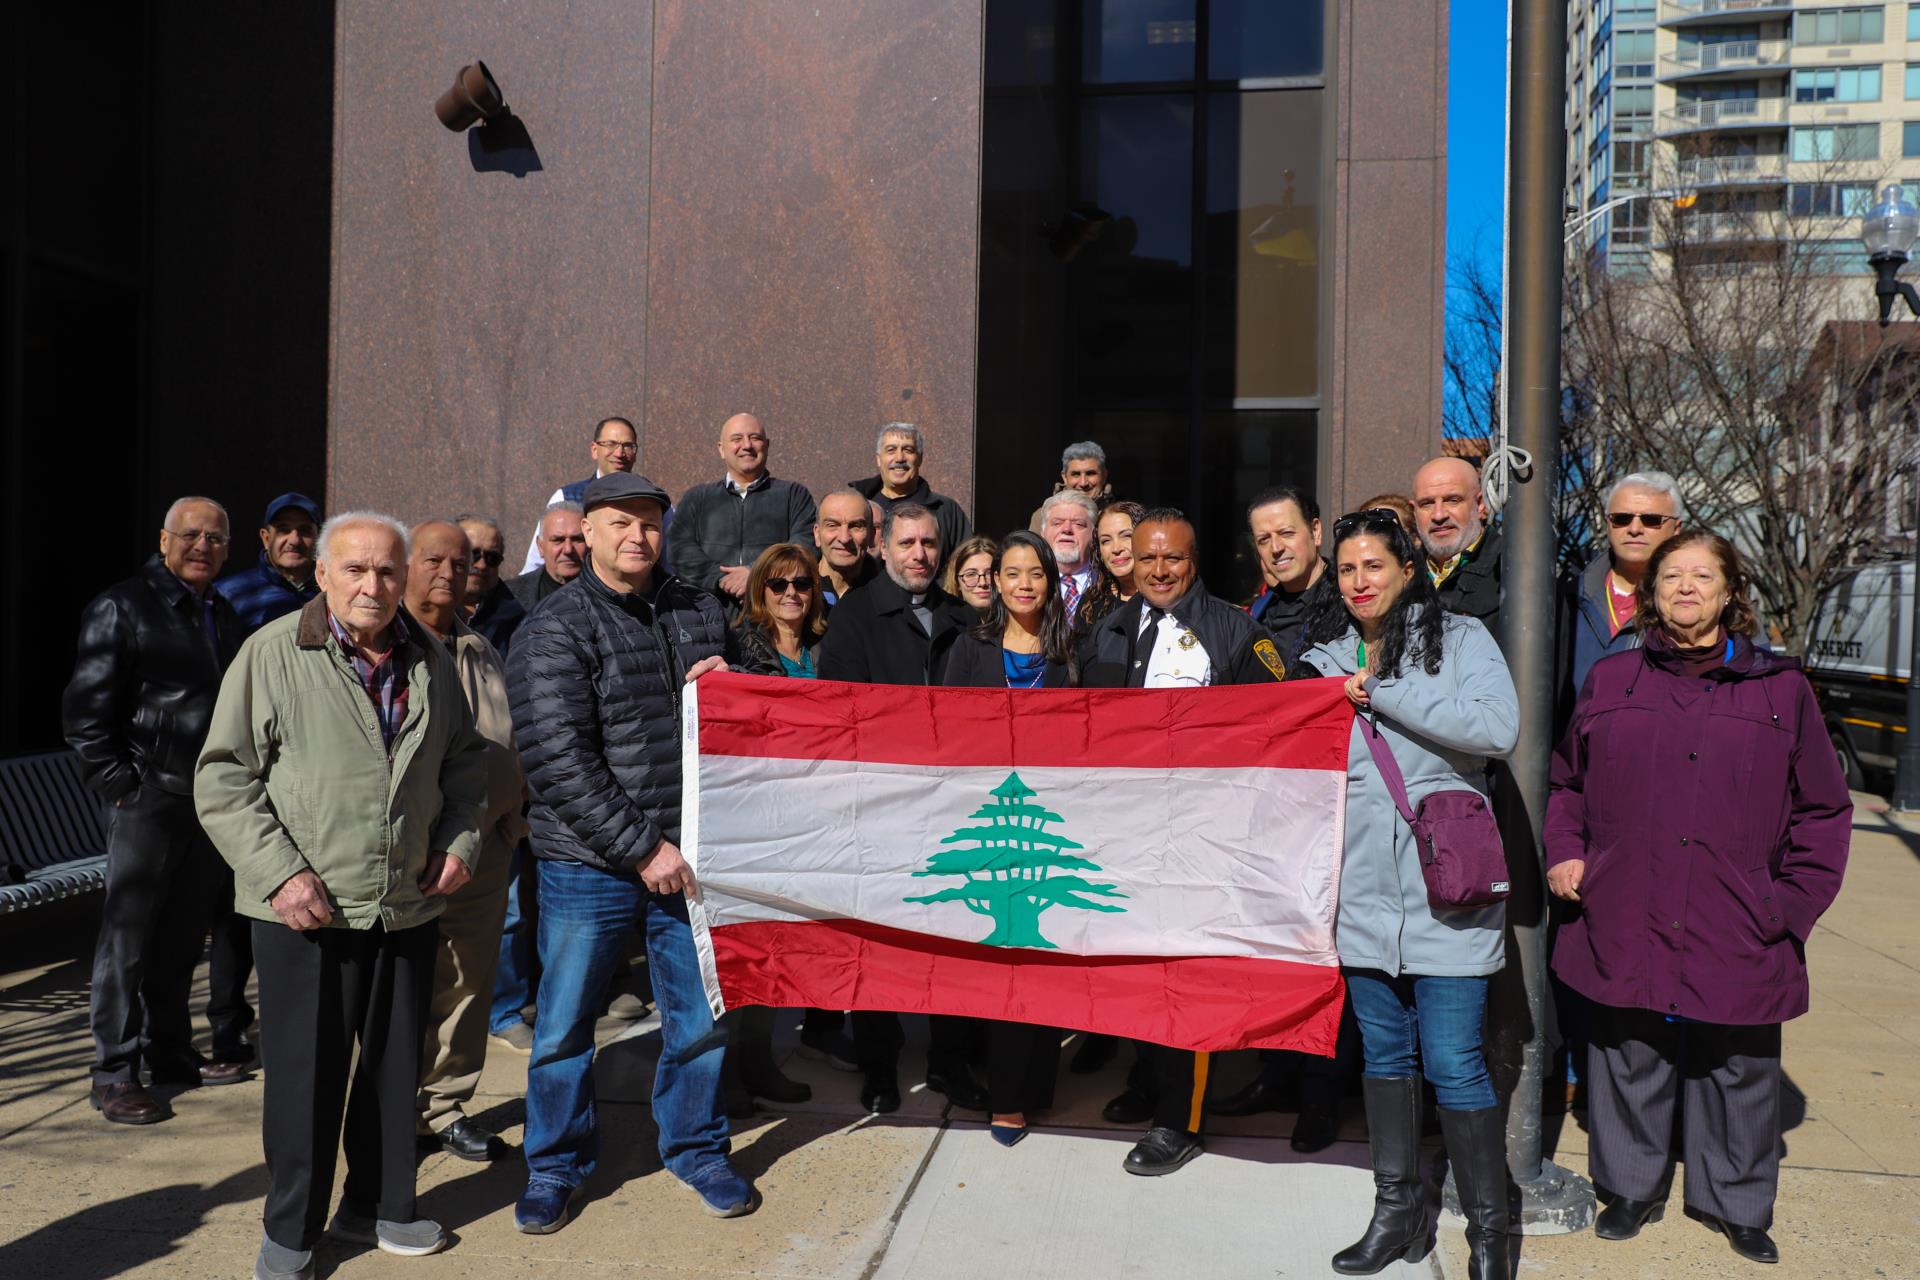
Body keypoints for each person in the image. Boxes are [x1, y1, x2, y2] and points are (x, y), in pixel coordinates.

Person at [1545, 530, 1850, 1267]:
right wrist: (1565, 851)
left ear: (1728, 591)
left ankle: (1735, 1202)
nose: (1685, 587)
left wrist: (1788, 906)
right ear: (1652, 594)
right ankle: (1629, 1188)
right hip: (1626, 904)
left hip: (1739, 914)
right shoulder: (1612, 683)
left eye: (1701, 575)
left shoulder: (1781, 689)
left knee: (1737, 1064)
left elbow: (1824, 812)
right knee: (1628, 1053)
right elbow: (1567, 782)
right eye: (1671, 576)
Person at [196, 512, 489, 1277]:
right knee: (306, 1078)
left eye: (387, 571)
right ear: (322, 575)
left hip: (406, 899)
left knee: (397, 1069)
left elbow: (465, 767)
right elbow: (223, 777)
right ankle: (291, 1229)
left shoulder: (429, 659)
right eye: (355, 570)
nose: (373, 584)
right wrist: (280, 875)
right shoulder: (273, 652)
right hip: (305, 908)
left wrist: (460, 843)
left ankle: (383, 1206)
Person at [506, 472, 757, 1231]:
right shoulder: (556, 628)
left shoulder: (700, 608)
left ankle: (696, 1149)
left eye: (649, 522)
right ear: (586, 533)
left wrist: (737, 678)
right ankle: (554, 1166)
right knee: (563, 1028)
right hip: (592, 866)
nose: (637, 537)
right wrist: (645, 848)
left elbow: (770, 681)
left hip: (693, 859)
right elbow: (557, 761)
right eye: (620, 523)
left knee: (698, 1021)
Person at [1291, 508, 1517, 1280]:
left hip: (1446, 896)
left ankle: (1490, 1233)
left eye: (1374, 567)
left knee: (1455, 1063)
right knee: (1385, 1058)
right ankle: (1398, 1213)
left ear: (1407, 569)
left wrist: (1379, 694)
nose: (1359, 582)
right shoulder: (1319, 661)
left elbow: (1497, 730)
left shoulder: (1462, 642)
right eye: (1348, 569)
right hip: (1358, 900)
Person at [1077, 508, 1286, 1176]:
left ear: (1195, 561)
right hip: (1126, 835)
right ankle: (1149, 1082)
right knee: (1136, 968)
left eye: (1172, 559)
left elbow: (1280, 731)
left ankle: (1180, 1120)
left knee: (1185, 980)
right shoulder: (1104, 629)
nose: (1159, 571)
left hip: (1202, 840)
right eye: (1146, 559)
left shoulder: (1236, 634)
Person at [64, 496, 251, 1126]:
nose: (204, 546)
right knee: (128, 941)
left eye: (216, 538)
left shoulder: (221, 612)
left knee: (179, 940)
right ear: (165, 540)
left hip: (207, 801)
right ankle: (114, 1073)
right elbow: (87, 710)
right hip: (148, 797)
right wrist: (121, 785)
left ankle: (170, 1053)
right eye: (192, 535)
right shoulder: (123, 605)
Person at [816, 503, 989, 1115]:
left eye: (929, 543)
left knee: (954, 933)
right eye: (907, 543)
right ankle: (880, 1066)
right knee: (879, 942)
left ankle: (949, 1061)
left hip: (951, 808)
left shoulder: (964, 618)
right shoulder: (855, 618)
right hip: (880, 809)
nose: (919, 554)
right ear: (883, 549)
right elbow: (840, 714)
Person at [1212, 485, 1354, 1152]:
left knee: (1328, 954)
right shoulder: (1256, 611)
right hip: (1268, 807)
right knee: (1274, 948)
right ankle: (1276, 1073)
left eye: (1286, 533)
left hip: (1335, 807)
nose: (1275, 547)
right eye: (1263, 538)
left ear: (1317, 532)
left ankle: (1322, 1097)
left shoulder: (1351, 603)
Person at [944, 531, 1078, 1147]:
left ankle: (1035, 1087)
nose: (1024, 585)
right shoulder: (969, 651)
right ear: (994, 583)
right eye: (1012, 574)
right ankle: (1005, 1096)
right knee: (1002, 960)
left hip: (1053, 823)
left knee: (1046, 956)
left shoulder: (1072, 652)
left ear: (1052, 582)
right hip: (988, 823)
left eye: (1036, 574)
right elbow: (944, 735)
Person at [403, 521, 529, 1164]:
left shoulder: (478, 646)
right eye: (438, 559)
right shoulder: (383, 648)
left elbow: (505, 744)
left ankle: (442, 1110)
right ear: (405, 565)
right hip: (402, 859)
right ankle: (390, 1114)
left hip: (481, 853)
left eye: (473, 560)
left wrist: (511, 822)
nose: (455, 571)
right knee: (401, 994)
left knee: (466, 988)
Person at [718, 543, 825, 1111]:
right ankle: (731, 1074)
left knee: (779, 950)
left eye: (802, 584)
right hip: (755, 819)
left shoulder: (826, 649)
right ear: (759, 591)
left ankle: (759, 1063)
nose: (791, 594)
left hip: (811, 819)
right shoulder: (737, 649)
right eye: (778, 584)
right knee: (747, 947)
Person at [1560, 471, 1686, 714]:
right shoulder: (1565, 596)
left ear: (1676, 528)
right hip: (1568, 747)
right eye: (1622, 518)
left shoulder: (1698, 602)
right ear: (1608, 523)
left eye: (1651, 519)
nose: (1634, 528)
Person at [667, 413, 819, 606]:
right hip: (710, 612)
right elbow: (680, 549)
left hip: (774, 612)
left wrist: (756, 574)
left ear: (767, 445)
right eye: (736, 439)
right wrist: (722, 580)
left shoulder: (794, 495)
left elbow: (804, 545)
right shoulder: (698, 498)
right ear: (721, 449)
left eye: (754, 437)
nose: (747, 445)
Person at [520, 415, 664, 574]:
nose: (619, 453)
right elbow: (535, 563)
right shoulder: (566, 497)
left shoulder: (656, 501)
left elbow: (670, 561)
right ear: (594, 450)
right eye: (611, 444)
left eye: (628, 446)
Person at [850, 422, 971, 561]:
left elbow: (967, 563)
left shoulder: (946, 510)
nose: (899, 458)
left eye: (908, 450)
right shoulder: (858, 504)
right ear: (878, 459)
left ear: (920, 458)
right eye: (891, 450)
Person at [1411, 458, 1502, 625]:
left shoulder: (1509, 569)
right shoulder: (1400, 574)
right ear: (1414, 511)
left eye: (1453, 500)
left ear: (1480, 504)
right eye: (1427, 503)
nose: (1439, 515)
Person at [215, 492, 322, 631]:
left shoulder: (335, 591)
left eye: (304, 531)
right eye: (283, 530)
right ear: (266, 538)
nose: (294, 540)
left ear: (319, 538)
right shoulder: (229, 594)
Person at [456, 513, 527, 654]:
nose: (481, 565)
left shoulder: (519, 622)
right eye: (472, 555)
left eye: (492, 557)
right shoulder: (423, 614)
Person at [1071, 499, 1143, 635]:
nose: (1116, 548)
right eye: (1106, 541)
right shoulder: (1091, 604)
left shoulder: (1163, 599)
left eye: (1126, 536)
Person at [509, 502, 587, 613]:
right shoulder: (510, 595)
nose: (568, 549)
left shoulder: (613, 593)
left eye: (577, 539)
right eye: (558, 540)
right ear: (540, 547)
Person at [1027, 440, 1113, 531]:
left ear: (1104, 476)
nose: (1083, 483)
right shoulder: (1042, 517)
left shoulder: (1120, 516)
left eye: (1090, 473)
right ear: (1064, 477)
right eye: (1076, 474)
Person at [813, 487, 878, 608]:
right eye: (832, 525)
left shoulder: (887, 593)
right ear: (817, 534)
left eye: (856, 526)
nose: (844, 538)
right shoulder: (793, 589)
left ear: (872, 535)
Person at [1037, 490, 1098, 615]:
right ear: (1043, 534)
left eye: (1078, 524)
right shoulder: (1028, 586)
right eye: (1057, 523)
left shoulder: (1109, 583)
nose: (1066, 529)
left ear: (1094, 535)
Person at [942, 534, 999, 617]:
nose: (983, 583)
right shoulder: (944, 625)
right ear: (957, 582)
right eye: (971, 574)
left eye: (989, 574)